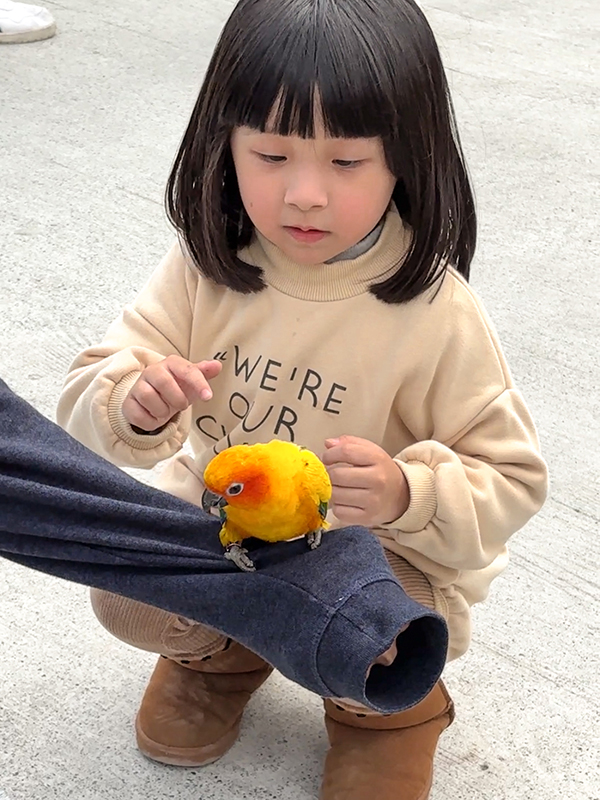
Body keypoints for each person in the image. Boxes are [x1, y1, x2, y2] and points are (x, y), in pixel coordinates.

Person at [56, 0, 548, 797]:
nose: (305, 194)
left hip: (368, 554)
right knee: (123, 593)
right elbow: (90, 385)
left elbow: (515, 479)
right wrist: (134, 400)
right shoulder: (205, 267)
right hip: (232, 533)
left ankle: (385, 711)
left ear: (406, 157)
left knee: (386, 624)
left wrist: (405, 491)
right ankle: (225, 657)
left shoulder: (433, 310)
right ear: (225, 144)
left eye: (347, 162)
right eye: (271, 154)